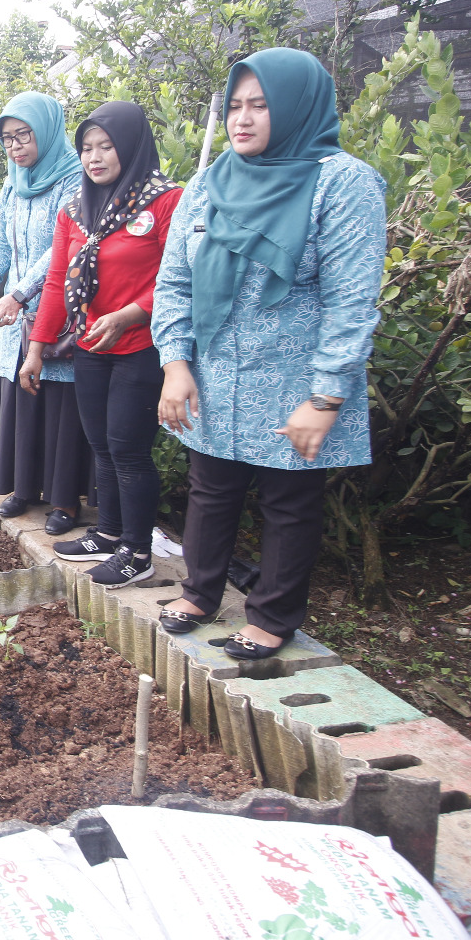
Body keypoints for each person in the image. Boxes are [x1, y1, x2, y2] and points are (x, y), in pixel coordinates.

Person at [153, 48, 385, 660]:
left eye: (261, 105)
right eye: (235, 105)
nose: (243, 119)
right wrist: (176, 363)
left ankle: (272, 617)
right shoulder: (208, 183)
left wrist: (327, 395)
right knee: (211, 485)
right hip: (216, 375)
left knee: (289, 499)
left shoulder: (341, 183)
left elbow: (352, 301)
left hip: (294, 380)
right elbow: (173, 282)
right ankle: (201, 592)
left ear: (296, 109)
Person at [26, 102, 182, 589]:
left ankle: (138, 551)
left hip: (141, 345)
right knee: (101, 445)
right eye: (86, 148)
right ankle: (110, 532)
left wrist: (132, 313)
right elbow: (56, 281)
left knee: (128, 448)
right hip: (90, 344)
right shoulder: (75, 207)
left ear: (131, 145)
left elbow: (181, 277)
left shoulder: (165, 201)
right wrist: (37, 346)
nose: (94, 157)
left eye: (105, 146)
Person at [0, 93, 89, 534]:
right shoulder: (13, 183)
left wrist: (21, 294)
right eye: (7, 139)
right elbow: (2, 248)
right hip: (16, 307)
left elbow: (62, 250)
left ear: (44, 131)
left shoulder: (74, 179)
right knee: (22, 396)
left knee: (59, 400)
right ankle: (24, 488)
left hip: (59, 304)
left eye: (23, 135)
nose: (15, 147)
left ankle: (65, 501)